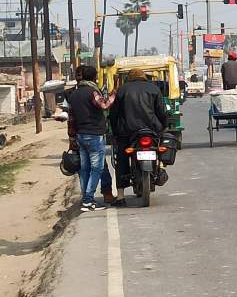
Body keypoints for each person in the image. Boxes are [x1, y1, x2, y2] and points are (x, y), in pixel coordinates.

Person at [66, 65, 117, 211]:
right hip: (94, 135)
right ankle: (88, 200)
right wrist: (114, 93)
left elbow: (71, 118)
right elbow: (105, 105)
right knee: (97, 168)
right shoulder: (92, 92)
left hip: (81, 135)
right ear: (94, 77)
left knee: (85, 169)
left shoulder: (74, 94)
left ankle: (86, 199)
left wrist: (72, 139)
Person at [109, 68, 167, 190]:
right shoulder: (154, 89)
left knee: (122, 159)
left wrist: (115, 132)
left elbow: (114, 114)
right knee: (158, 148)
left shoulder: (122, 90)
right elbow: (161, 112)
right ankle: (160, 167)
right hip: (151, 128)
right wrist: (163, 126)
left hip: (127, 131)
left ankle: (120, 196)